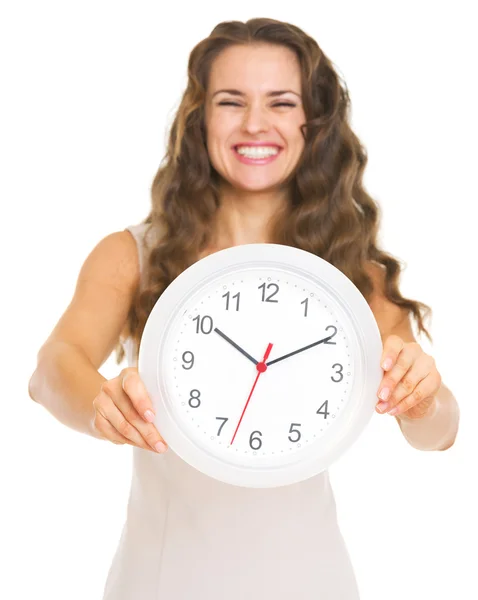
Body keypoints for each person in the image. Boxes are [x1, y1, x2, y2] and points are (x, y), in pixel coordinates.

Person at [28, 17, 460, 600]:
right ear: (199, 117)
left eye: (281, 103)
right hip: (159, 582)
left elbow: (439, 433)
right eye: (231, 101)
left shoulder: (353, 278)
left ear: (314, 123)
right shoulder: (132, 254)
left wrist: (422, 397)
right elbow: (53, 368)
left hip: (312, 581)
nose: (255, 123)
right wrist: (101, 406)